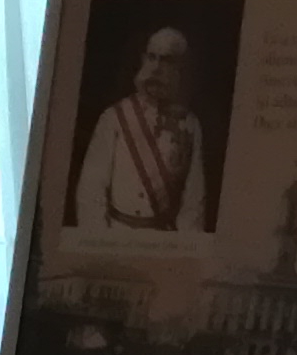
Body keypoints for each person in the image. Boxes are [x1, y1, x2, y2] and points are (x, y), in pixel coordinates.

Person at [74, 24, 219, 231]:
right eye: (152, 57)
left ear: (180, 68)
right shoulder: (114, 117)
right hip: (116, 234)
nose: (156, 68)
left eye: (166, 60)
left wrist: (185, 246)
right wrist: (98, 240)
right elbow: (91, 188)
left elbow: (194, 200)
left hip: (163, 239)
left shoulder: (190, 124)